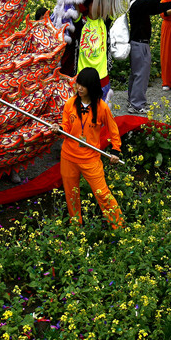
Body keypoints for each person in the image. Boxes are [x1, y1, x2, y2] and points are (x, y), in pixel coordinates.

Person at [55, 67, 124, 229]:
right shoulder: (70, 104)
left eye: (83, 85)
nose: (79, 88)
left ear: (91, 87)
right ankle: (76, 225)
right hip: (69, 157)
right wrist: (59, 129)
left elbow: (114, 130)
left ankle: (119, 226)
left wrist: (115, 151)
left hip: (90, 159)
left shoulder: (102, 108)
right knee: (71, 194)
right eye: (78, 84)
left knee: (102, 194)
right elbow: (66, 127)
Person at [126, 0, 171, 114]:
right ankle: (137, 104)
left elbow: (155, 8)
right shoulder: (137, 5)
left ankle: (133, 101)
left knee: (136, 74)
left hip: (138, 44)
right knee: (141, 75)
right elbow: (155, 1)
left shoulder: (137, 5)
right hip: (140, 44)